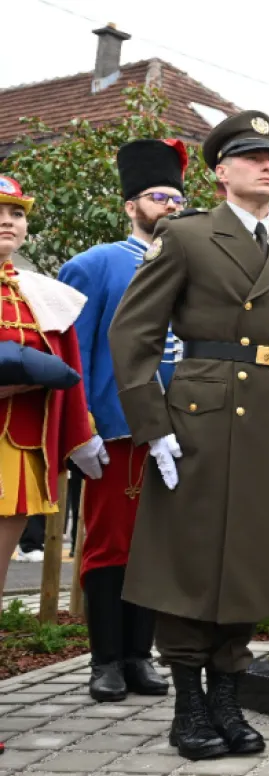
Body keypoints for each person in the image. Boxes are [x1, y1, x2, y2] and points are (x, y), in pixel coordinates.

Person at [109, 110, 269, 761]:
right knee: (190, 558)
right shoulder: (187, 236)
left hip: (268, 420)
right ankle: (189, 704)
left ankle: (228, 696)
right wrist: (154, 426)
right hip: (197, 419)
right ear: (221, 171)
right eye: (254, 156)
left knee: (249, 563)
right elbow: (133, 335)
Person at [58, 138, 190, 702]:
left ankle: (141, 655)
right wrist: (80, 428)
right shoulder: (94, 266)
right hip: (116, 433)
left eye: (179, 198)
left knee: (161, 549)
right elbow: (74, 356)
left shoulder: (195, 265)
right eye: (160, 197)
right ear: (131, 205)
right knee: (111, 547)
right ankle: (106, 659)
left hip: (184, 434)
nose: (172, 207)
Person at [0, 175, 105, 598]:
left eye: (17, 213)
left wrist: (82, 434)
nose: (9, 221)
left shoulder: (41, 294)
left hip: (19, 445)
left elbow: (70, 370)